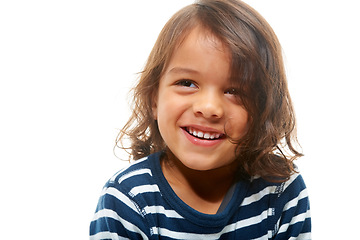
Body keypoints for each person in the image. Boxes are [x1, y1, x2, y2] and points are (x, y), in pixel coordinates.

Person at [90, 0, 311, 239]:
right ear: (154, 99)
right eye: (187, 83)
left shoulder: (280, 189)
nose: (208, 108)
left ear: (264, 109)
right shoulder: (128, 199)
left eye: (235, 91)